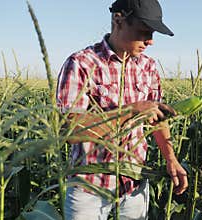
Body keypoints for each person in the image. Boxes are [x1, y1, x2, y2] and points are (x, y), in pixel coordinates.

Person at [56, 0, 188, 219]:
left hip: (133, 185)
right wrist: (130, 112)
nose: (150, 41)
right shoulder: (81, 63)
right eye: (143, 32)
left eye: (152, 33)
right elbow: (70, 130)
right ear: (118, 20)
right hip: (90, 188)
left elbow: (158, 119)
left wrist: (171, 159)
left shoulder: (148, 66)